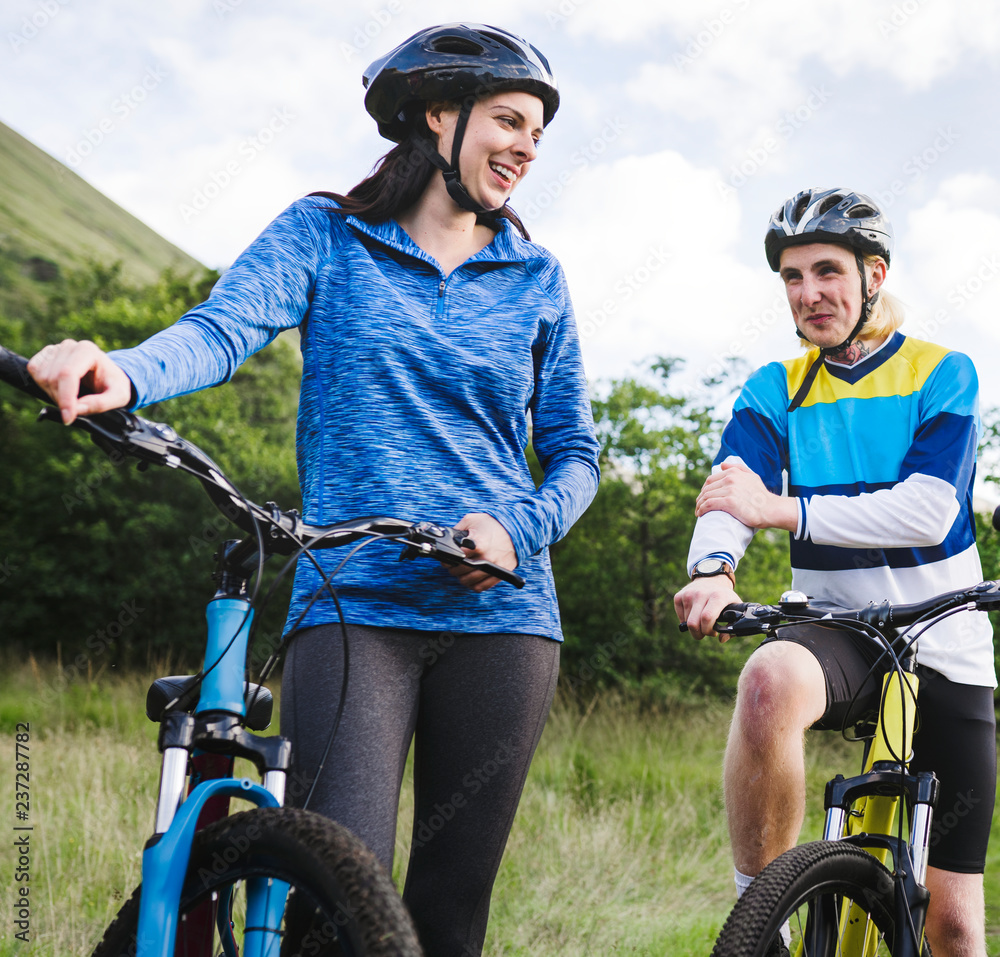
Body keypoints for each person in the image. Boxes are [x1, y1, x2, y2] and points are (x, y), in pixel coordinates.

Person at [27, 23, 600, 956]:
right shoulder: (326, 237)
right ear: (438, 115)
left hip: (505, 618)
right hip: (352, 601)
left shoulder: (536, 277)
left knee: (449, 916)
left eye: (538, 132)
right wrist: (123, 371)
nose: (528, 147)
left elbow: (575, 453)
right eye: (509, 120)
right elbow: (221, 329)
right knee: (333, 893)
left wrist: (518, 527)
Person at [674, 186, 995, 957]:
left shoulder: (941, 371)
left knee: (954, 924)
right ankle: (764, 921)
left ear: (873, 275)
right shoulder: (777, 387)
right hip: (839, 632)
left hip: (945, 637)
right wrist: (714, 568)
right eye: (792, 276)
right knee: (767, 679)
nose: (808, 292)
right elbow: (731, 493)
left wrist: (782, 510)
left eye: (826, 271)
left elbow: (927, 509)